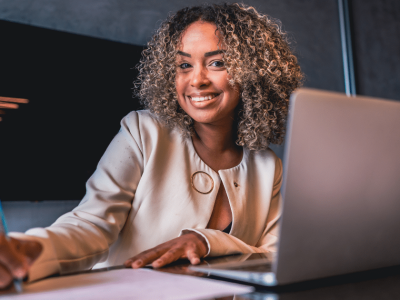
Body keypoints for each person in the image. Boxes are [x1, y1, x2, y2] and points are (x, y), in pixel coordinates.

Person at [0, 3, 303, 288]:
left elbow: (275, 255)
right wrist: (27, 249)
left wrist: (206, 241)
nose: (196, 80)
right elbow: (92, 223)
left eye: (217, 63)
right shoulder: (143, 131)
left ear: (253, 73)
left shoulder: (267, 166)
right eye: (184, 64)